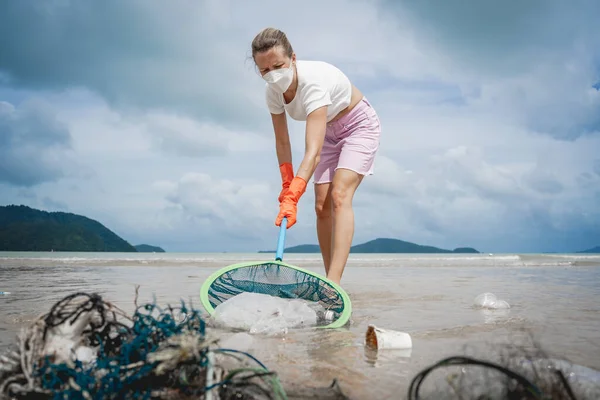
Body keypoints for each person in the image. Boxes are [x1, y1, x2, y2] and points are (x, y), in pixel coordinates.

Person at [251, 27, 381, 286]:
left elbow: (313, 152)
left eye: (278, 66)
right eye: (265, 71)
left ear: (293, 58)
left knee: (339, 195)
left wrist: (295, 192)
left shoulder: (313, 83)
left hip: (358, 126)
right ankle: (329, 280)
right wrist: (287, 186)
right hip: (329, 131)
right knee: (321, 206)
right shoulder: (273, 93)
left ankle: (333, 284)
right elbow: (282, 141)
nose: (273, 76)